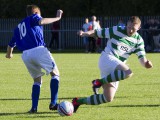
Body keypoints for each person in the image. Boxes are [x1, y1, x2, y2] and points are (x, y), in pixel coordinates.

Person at [72, 16, 153, 113]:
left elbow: (142, 60)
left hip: (116, 69)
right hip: (107, 58)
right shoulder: (117, 30)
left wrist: (147, 64)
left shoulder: (138, 41)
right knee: (128, 72)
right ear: (127, 24)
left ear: (139, 28)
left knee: (108, 98)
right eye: (129, 27)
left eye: (134, 29)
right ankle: (99, 82)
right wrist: (84, 33)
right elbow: (97, 32)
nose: (130, 30)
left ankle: (78, 101)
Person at [5, 5, 63, 113]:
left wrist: (9, 54)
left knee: (37, 80)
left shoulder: (18, 27)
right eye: (39, 15)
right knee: (55, 74)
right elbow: (42, 21)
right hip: (39, 50)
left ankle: (34, 108)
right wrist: (57, 18)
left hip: (26, 55)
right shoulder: (33, 17)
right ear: (36, 13)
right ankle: (53, 103)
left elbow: (10, 45)